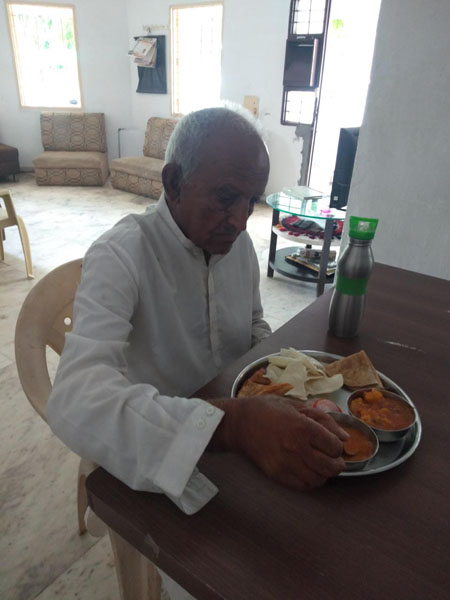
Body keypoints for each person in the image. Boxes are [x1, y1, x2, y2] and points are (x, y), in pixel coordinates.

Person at [47, 107, 347, 514]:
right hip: (159, 453)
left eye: (251, 201)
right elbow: (75, 402)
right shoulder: (120, 256)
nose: (241, 221)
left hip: (242, 438)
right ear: (174, 183)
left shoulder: (238, 245)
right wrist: (235, 424)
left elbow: (253, 323)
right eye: (226, 198)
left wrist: (281, 383)